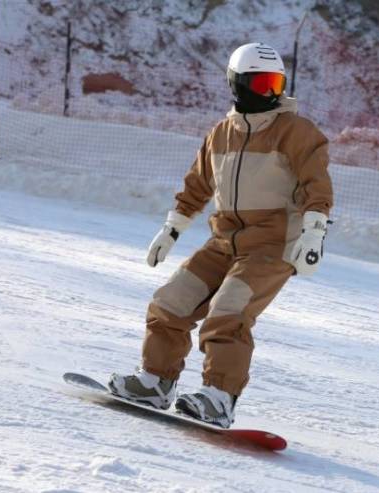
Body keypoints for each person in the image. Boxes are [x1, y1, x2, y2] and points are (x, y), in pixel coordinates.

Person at [108, 42, 333, 429]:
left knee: (229, 312)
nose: (271, 93)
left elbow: (317, 184)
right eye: (261, 84)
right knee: (170, 302)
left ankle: (219, 398)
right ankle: (155, 382)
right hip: (223, 241)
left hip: (272, 246)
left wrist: (314, 233)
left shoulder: (296, 132)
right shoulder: (221, 134)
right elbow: (197, 186)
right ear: (237, 83)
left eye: (276, 84)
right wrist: (171, 229)